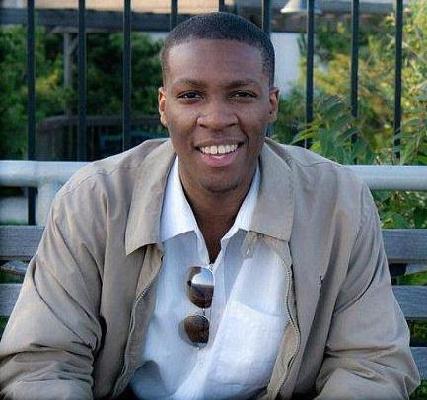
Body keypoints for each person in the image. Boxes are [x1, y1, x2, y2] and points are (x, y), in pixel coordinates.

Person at [0, 12, 420, 400]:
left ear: (271, 103)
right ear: (164, 106)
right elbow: (45, 362)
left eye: (241, 94)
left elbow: (370, 364)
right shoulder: (96, 201)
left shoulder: (337, 205)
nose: (216, 118)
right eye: (191, 95)